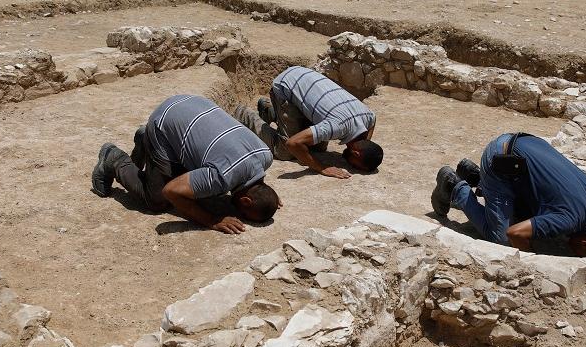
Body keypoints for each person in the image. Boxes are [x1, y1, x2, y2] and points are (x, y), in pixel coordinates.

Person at [92, 95, 280, 234]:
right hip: (164, 122)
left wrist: (267, 198)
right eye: (245, 213)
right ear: (246, 201)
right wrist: (212, 220)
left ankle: (146, 140)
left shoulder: (265, 156)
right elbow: (171, 191)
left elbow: (257, 186)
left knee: (198, 187)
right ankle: (114, 158)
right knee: (156, 200)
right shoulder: (221, 177)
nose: (239, 216)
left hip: (191, 103)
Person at [430, 132, 586, 257]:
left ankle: (477, 178)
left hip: (524, 144)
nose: (577, 255)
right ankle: (455, 187)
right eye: (582, 255)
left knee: (524, 217)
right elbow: (513, 233)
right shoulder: (569, 219)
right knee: (500, 238)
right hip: (501, 158)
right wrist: (530, 257)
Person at [234, 66, 383, 179]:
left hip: (304, 77)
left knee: (317, 147)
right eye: (355, 165)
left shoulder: (368, 117)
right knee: (285, 152)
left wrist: (365, 144)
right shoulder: (337, 126)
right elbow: (292, 143)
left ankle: (272, 112)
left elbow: (373, 120)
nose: (351, 166)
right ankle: (245, 114)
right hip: (285, 86)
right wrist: (321, 168)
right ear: (356, 153)